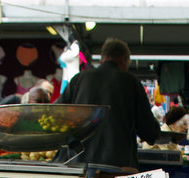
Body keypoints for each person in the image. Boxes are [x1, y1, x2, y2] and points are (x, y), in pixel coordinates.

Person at [56, 38, 160, 169]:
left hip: (79, 165)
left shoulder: (79, 79)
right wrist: (157, 132)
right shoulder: (131, 82)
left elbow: (56, 115)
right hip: (117, 168)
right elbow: (148, 130)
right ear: (123, 60)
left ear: (102, 58)